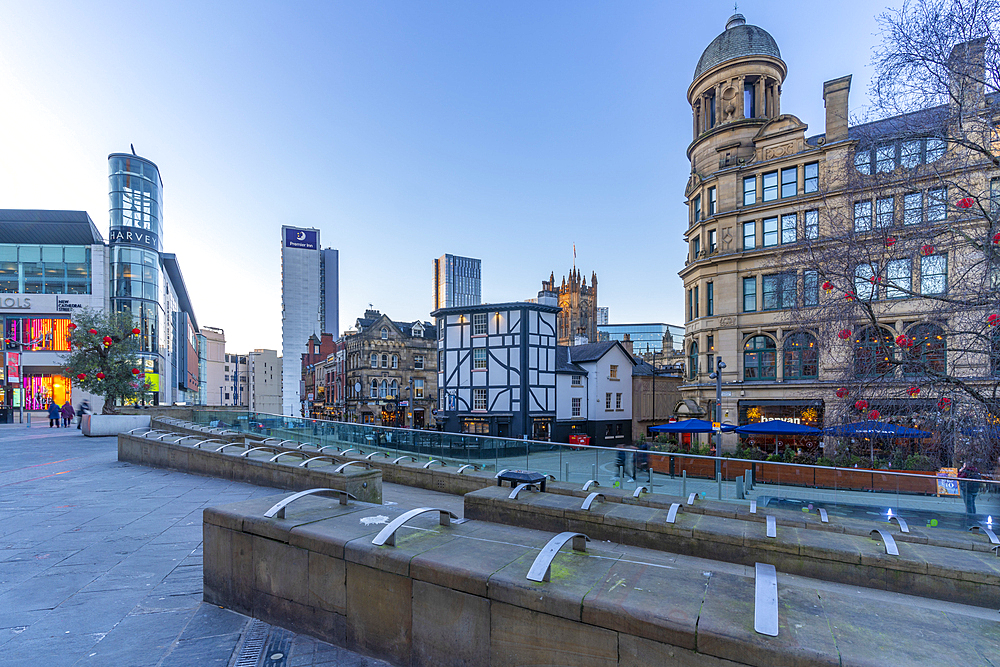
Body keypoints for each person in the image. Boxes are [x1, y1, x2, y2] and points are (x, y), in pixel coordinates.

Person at [958, 460, 981, 527]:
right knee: (972, 504)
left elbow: (959, 477)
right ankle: (973, 518)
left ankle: (970, 521)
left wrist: (961, 470)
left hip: (967, 490)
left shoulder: (966, 472)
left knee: (969, 506)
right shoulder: (976, 471)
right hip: (974, 490)